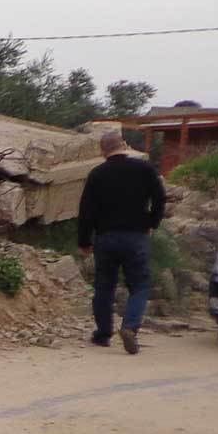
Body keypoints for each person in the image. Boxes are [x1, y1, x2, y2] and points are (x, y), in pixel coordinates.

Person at [76, 130, 167, 354]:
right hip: (136, 237)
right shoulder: (144, 169)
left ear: (102, 150)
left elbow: (86, 211)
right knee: (140, 284)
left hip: (105, 238)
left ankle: (102, 335)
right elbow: (160, 197)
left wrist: (84, 241)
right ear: (124, 145)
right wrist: (152, 223)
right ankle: (130, 327)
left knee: (104, 286)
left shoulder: (97, 174)